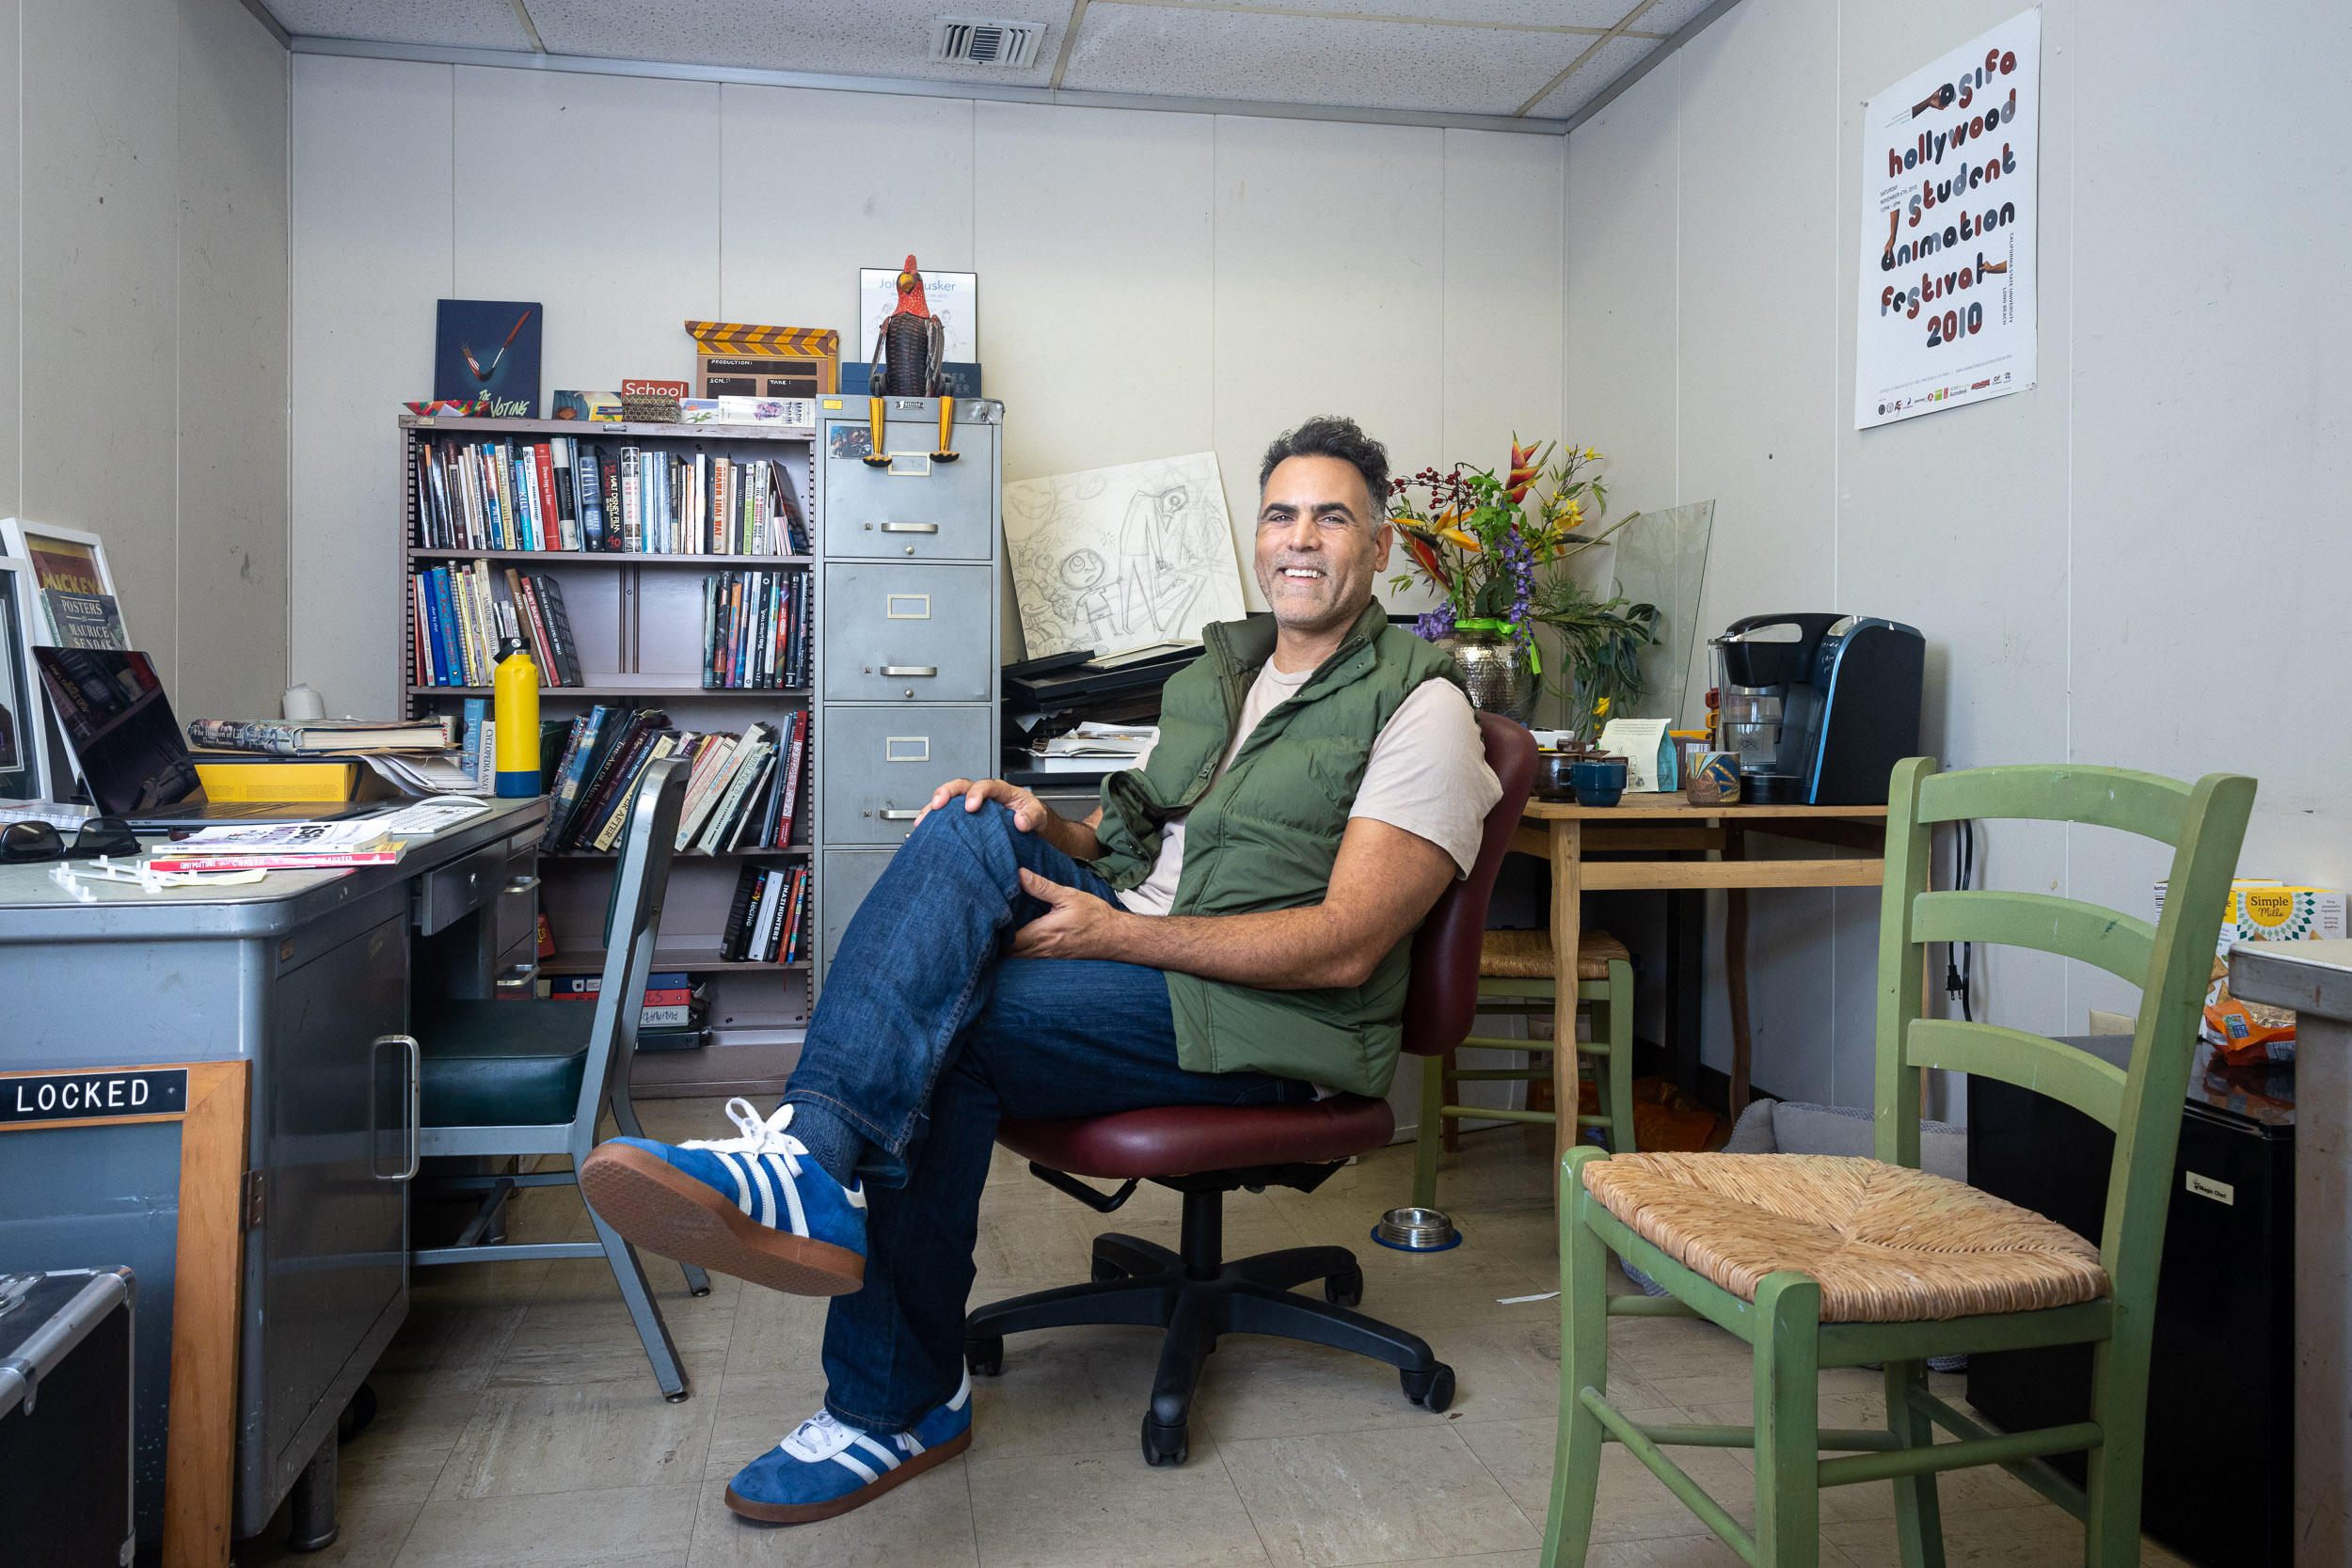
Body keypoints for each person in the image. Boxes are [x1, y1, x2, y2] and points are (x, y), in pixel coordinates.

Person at [580, 415, 1503, 1525]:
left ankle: (891, 1392)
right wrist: (1044, 827)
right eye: (1280, 512)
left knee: (948, 1032)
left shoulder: (1424, 708)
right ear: (1256, 535)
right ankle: (812, 1166)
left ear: (1382, 545)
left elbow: (1348, 942)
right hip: (1154, 952)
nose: (1299, 539)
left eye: (1332, 516)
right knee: (965, 826)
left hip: (1270, 1020)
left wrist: (1116, 934)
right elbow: (1138, 845)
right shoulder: (1228, 672)